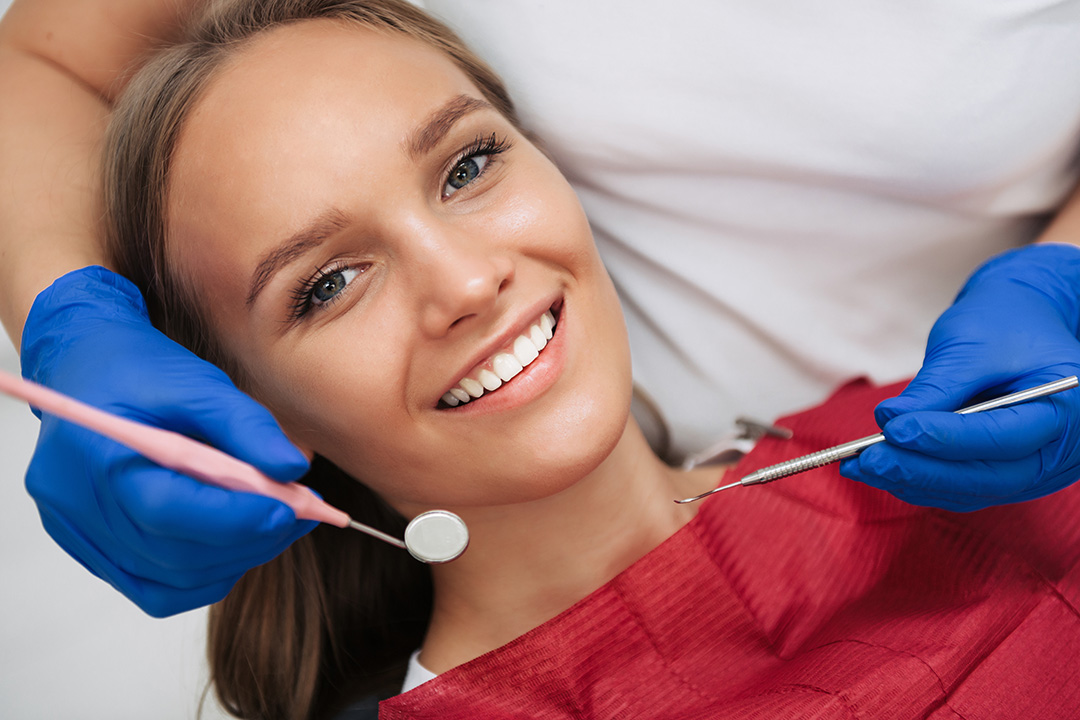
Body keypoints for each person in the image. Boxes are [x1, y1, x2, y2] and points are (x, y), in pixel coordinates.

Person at [97, 2, 1080, 718]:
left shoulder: (950, 445)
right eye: (327, 284)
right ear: (253, 411)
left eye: (468, 167)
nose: (467, 284)